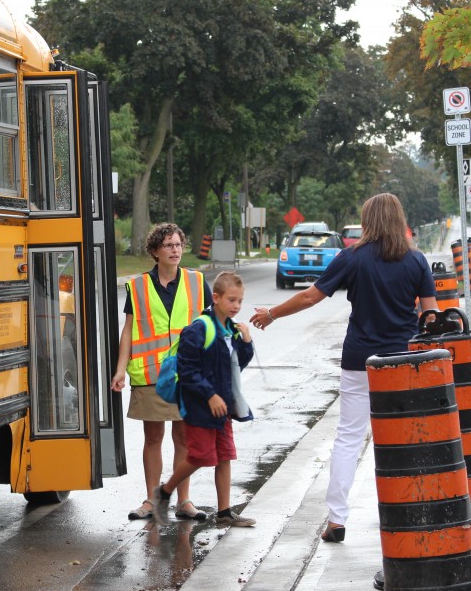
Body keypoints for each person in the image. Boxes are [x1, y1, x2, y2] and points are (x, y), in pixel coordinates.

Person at [249, 194, 437, 542]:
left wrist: (272, 313)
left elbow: (310, 297)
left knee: (350, 437)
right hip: (405, 362)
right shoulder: (416, 260)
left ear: (367, 221)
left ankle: (337, 519)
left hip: (361, 361)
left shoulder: (351, 258)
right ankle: (417, 509)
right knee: (411, 436)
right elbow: (430, 316)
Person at [111, 223, 212, 523]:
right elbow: (129, 330)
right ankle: (151, 501)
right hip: (150, 374)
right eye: (168, 245)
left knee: (183, 437)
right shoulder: (138, 286)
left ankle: (184, 501)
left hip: (187, 375)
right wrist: (120, 370)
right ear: (155, 251)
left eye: (178, 244)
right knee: (153, 437)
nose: (175, 250)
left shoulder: (197, 282)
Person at [152, 272, 256, 528]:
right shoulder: (198, 329)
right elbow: (187, 371)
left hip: (223, 407)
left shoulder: (229, 330)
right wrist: (209, 395)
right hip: (200, 407)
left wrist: (246, 342)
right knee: (201, 456)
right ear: (217, 298)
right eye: (232, 300)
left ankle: (225, 512)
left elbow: (235, 366)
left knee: (224, 456)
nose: (236, 306)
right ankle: (164, 492)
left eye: (240, 301)